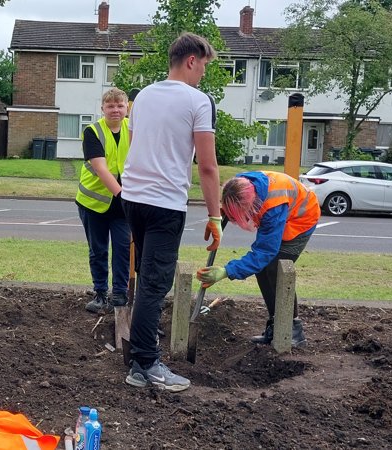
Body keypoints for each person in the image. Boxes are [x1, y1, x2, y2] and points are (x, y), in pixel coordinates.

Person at [120, 32, 223, 392]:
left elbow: (135, 145)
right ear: (192, 60)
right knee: (153, 284)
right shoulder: (198, 101)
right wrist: (215, 215)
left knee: (144, 278)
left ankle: (139, 360)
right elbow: (207, 166)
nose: (204, 74)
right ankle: (146, 364)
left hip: (132, 198)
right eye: (205, 66)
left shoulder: (143, 95)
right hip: (164, 204)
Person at [197, 171, 320, 348]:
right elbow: (230, 200)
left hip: (301, 220)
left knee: (276, 269)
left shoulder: (272, 207)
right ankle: (275, 324)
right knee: (263, 270)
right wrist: (219, 217)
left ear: (253, 202)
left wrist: (226, 271)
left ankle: (294, 329)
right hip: (284, 214)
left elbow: (264, 252)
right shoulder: (238, 185)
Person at [76, 87, 131, 314]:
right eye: (110, 106)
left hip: (123, 205)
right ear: (102, 109)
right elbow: (100, 169)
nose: (115, 110)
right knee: (98, 250)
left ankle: (119, 294)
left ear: (127, 108)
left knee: (122, 248)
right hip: (93, 202)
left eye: (120, 106)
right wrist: (124, 195)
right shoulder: (93, 131)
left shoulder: (134, 128)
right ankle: (100, 293)